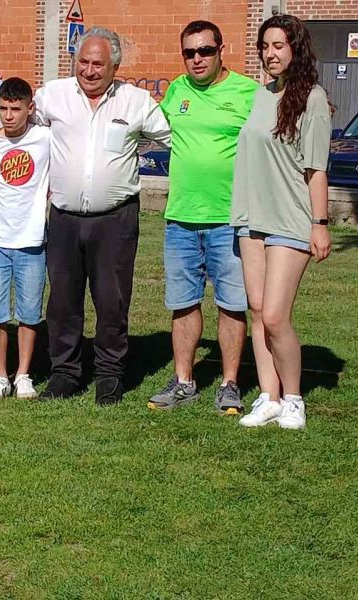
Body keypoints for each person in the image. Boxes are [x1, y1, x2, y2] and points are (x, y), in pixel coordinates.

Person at [0, 27, 171, 405]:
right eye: (83, 62)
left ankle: (109, 375)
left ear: (115, 67)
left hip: (115, 219)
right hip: (64, 218)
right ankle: (65, 373)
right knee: (62, 301)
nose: (89, 70)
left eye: (98, 64)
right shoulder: (54, 95)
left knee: (111, 301)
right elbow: (15, 110)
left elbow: (173, 137)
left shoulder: (136, 102)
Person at [148, 21, 259, 415]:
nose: (197, 59)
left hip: (230, 219)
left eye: (205, 51)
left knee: (232, 304)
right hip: (181, 217)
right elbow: (146, 128)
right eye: (189, 52)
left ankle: (230, 384)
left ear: (220, 51)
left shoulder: (248, 92)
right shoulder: (177, 90)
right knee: (183, 302)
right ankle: (184, 382)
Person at [230, 14, 332, 429]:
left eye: (278, 46)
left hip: (291, 219)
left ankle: (293, 399)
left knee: (275, 315)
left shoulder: (313, 98)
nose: (270, 54)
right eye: (265, 46)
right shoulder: (260, 95)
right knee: (257, 312)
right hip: (251, 217)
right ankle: (268, 397)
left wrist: (320, 223)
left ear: (296, 49)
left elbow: (317, 169)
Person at [0, 77, 50, 401]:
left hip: (32, 240)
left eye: (15, 109)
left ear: (29, 109)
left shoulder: (44, 138)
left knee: (29, 313)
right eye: (3, 109)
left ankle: (23, 374)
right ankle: (0, 376)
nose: (8, 116)